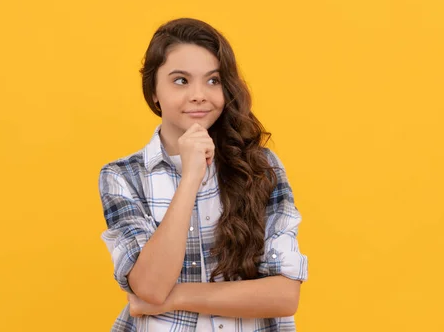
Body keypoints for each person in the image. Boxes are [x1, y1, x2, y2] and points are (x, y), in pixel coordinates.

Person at [99, 18, 308, 331]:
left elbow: (283, 296)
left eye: (213, 81)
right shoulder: (123, 176)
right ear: (154, 91)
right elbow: (151, 286)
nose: (199, 94)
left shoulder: (261, 166)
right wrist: (191, 177)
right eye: (181, 80)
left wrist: (175, 298)